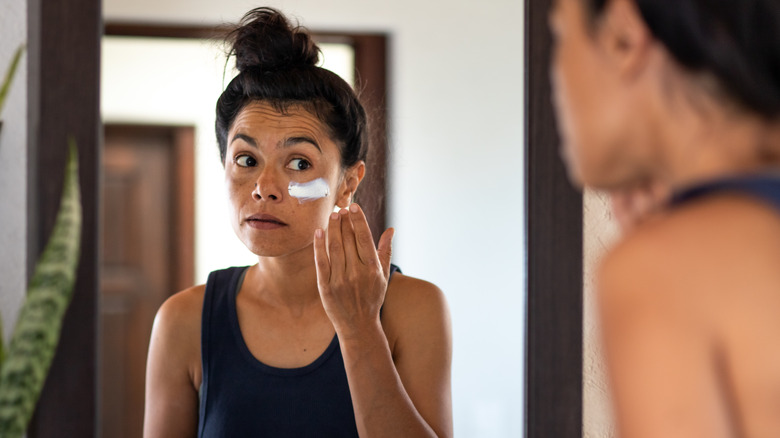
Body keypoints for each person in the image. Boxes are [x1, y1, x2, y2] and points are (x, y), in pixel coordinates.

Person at [142, 7, 452, 437]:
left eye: (300, 163)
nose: (264, 188)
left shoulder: (413, 309)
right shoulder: (183, 321)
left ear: (347, 183)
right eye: (246, 160)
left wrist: (360, 328)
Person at [549, 0, 780, 436]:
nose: (556, 78)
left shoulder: (662, 268)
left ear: (623, 38)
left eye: (560, 37)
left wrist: (659, 262)